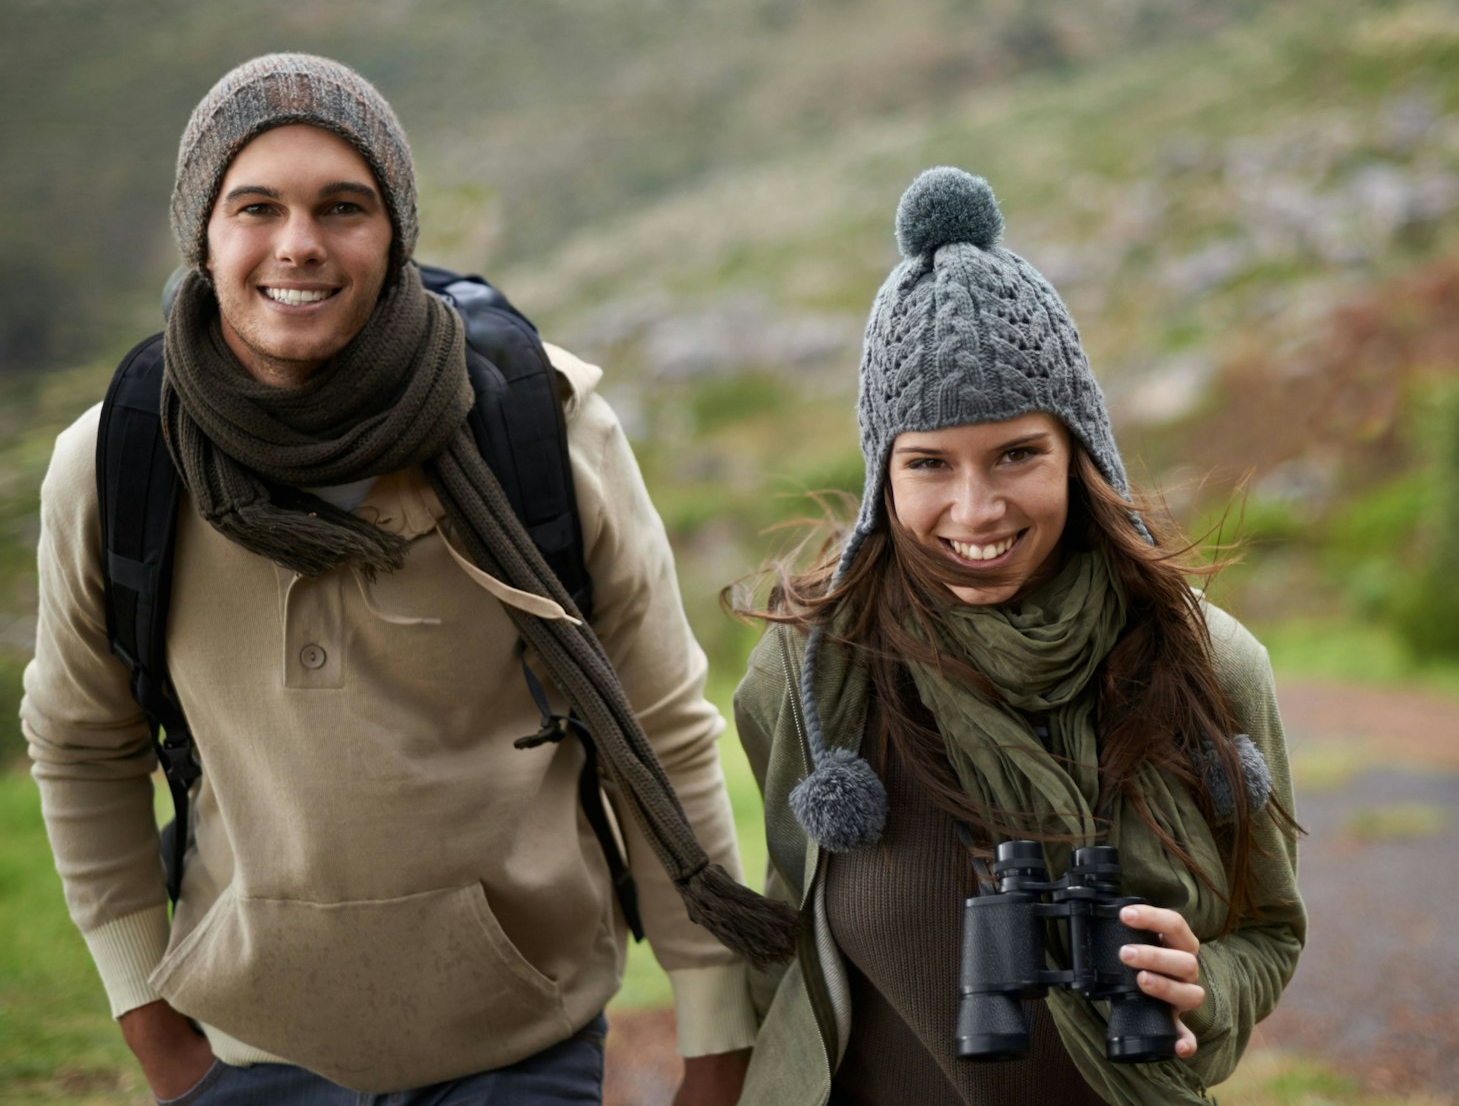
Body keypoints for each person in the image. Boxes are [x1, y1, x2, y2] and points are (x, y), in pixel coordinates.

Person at [21, 53, 792, 1104]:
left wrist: (712, 1038)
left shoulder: (541, 425)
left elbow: (656, 727)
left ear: (396, 236)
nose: (299, 243)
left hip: (522, 1050)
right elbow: (79, 747)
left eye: (344, 206)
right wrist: (155, 1032)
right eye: (256, 206)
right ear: (202, 234)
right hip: (245, 1061)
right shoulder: (116, 460)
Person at [731, 167, 1306, 1105]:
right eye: (928, 463)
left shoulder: (1208, 664)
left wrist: (1212, 986)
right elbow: (786, 954)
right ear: (885, 474)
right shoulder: (808, 676)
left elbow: (1270, 931)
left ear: (1081, 451)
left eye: (1017, 453)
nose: (975, 508)